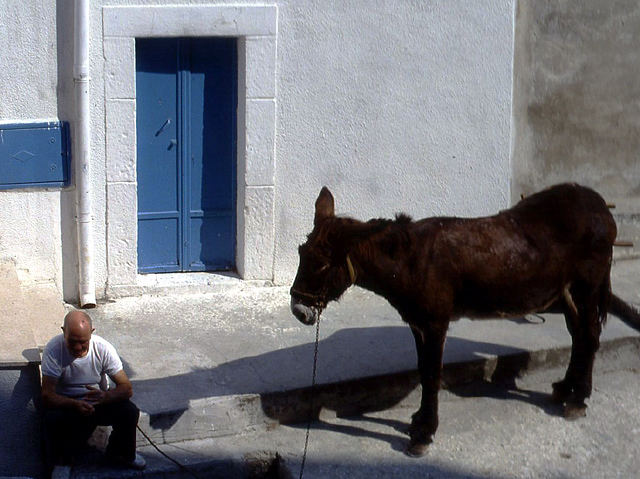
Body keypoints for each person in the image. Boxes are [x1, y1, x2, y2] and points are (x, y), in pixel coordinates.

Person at [41, 310, 145, 471]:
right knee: (52, 418)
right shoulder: (54, 349)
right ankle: (61, 463)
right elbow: (47, 395)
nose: (77, 347)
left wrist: (106, 397)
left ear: (92, 333)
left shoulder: (103, 348)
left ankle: (121, 454)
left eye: (83, 342)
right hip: (69, 405)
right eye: (72, 341)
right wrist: (73, 404)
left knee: (129, 411)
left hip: (98, 403)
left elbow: (126, 388)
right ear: (63, 332)